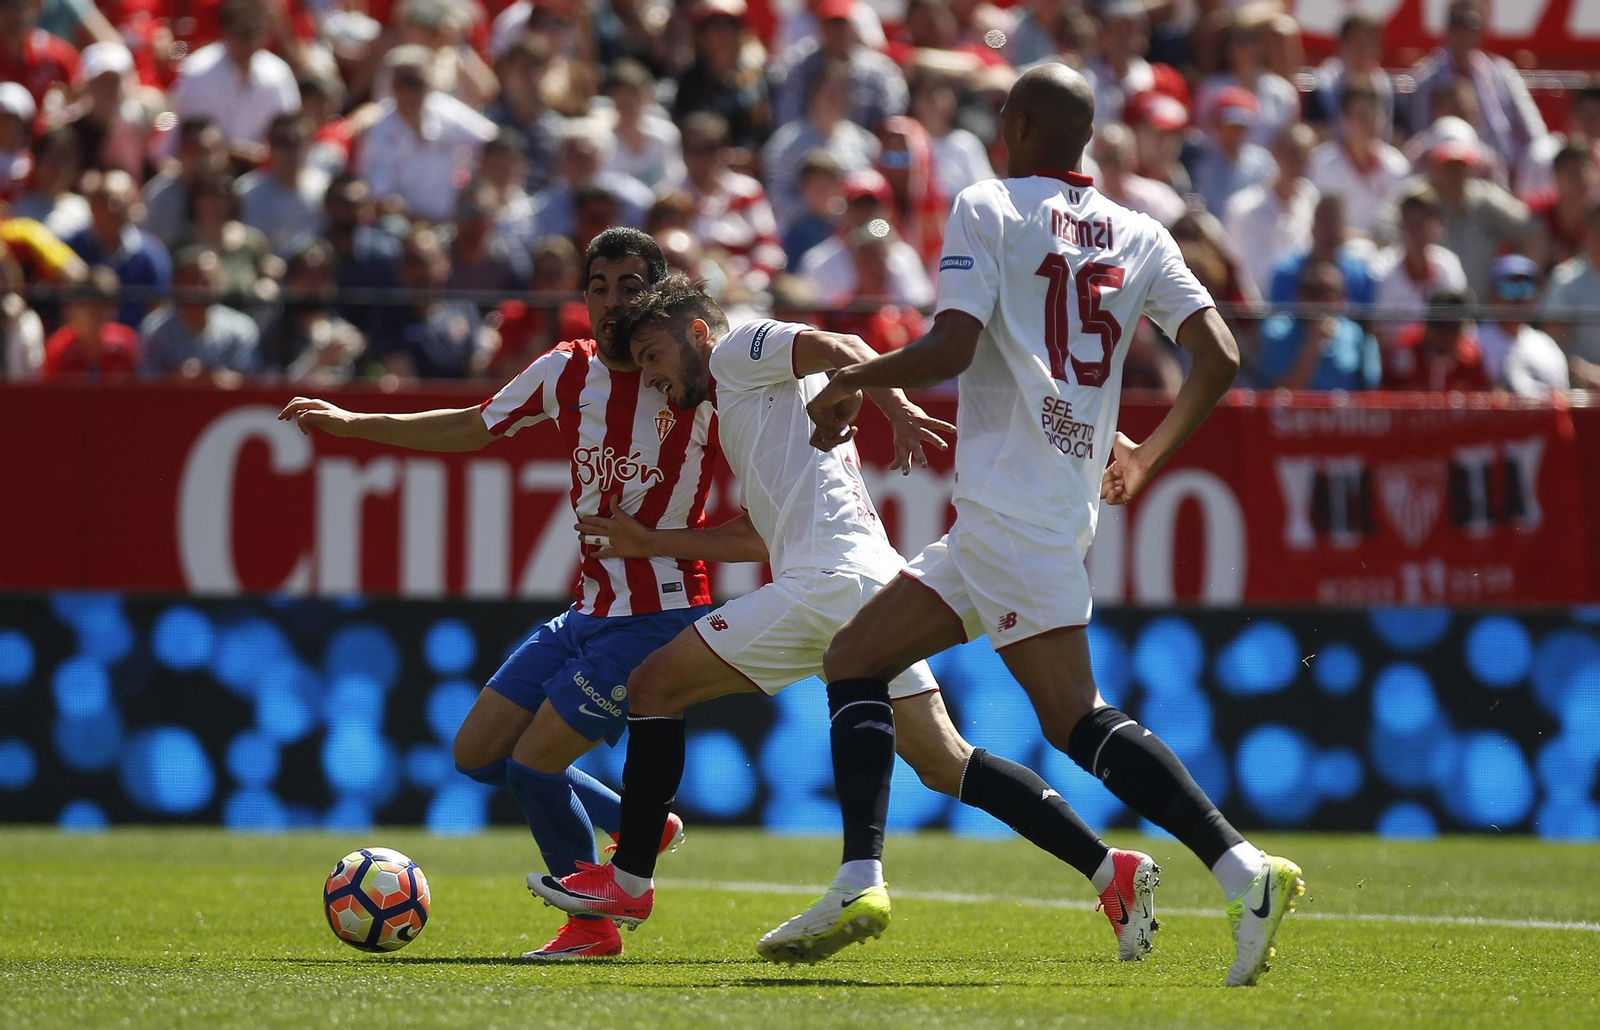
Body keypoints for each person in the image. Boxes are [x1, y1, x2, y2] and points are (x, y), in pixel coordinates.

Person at [796, 63, 1302, 987]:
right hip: (1036, 507)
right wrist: (1144, 455)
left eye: (1001, 114)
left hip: (1012, 512)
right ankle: (860, 875)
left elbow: (950, 345)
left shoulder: (987, 205)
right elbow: (1221, 353)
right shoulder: (1142, 229)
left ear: (1020, 122)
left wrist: (849, 381)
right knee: (854, 658)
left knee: (1075, 718)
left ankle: (1241, 867)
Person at [530, 275, 1167, 968]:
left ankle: (629, 884)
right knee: (944, 762)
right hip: (868, 581)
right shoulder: (753, 398)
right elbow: (758, 535)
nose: (651, 377)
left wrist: (894, 408)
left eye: (652, 356)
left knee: (654, 688)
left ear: (696, 334)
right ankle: (1113, 872)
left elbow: (847, 344)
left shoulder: (740, 346)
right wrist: (653, 545)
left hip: (826, 584)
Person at [279, 229, 706, 961]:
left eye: (630, 288)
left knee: (532, 767)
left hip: (655, 618)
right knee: (478, 752)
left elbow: (793, 388)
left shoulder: (697, 378)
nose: (612, 303)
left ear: (659, 298)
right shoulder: (566, 371)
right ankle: (634, 819)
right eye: (598, 287)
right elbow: (472, 427)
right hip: (588, 609)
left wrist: (876, 398)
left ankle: (593, 927)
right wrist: (355, 422)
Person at [356, 45, 497, 223]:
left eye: (419, 82)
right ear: (392, 85)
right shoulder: (379, 130)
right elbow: (381, 198)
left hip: (453, 221)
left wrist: (476, 189)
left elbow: (494, 141)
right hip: (404, 227)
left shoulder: (446, 109)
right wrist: (423, 226)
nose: (412, 91)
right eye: (405, 82)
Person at [1407, 0, 1546, 177]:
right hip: (1447, 169)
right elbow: (1421, 133)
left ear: (1482, 28)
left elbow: (1534, 130)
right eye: (1456, 23)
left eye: (1470, 24)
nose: (1463, 32)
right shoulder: (1426, 78)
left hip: (1499, 171)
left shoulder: (1502, 73)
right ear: (1446, 28)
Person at [168, 0, 299, 165]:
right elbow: (188, 139)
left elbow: (289, 131)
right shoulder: (198, 72)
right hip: (208, 170)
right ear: (225, 31)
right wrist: (232, 151)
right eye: (242, 33)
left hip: (263, 172)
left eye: (255, 32)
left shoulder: (278, 73)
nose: (249, 41)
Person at [762, 60, 880, 232]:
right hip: (802, 237)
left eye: (844, 93)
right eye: (831, 93)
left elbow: (875, 198)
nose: (838, 100)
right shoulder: (786, 144)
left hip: (855, 238)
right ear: (814, 95)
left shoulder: (865, 142)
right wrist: (820, 209)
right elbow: (776, 200)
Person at [772, 0, 907, 132]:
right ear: (820, 27)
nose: (838, 31)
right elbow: (787, 114)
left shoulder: (877, 70)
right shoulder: (800, 63)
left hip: (866, 148)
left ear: (853, 27)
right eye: (832, 24)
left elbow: (893, 113)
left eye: (843, 24)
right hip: (810, 145)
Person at [65, 168, 171, 328]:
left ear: (133, 205)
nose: (110, 209)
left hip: (136, 348)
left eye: (117, 201)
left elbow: (157, 313)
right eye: (102, 201)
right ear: (91, 205)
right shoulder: (71, 249)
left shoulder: (152, 254)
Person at [1307, 80, 1410, 240]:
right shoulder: (1321, 164)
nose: (1369, 122)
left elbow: (1402, 222)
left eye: (1375, 114)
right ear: (1344, 119)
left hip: (1385, 256)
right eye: (1361, 115)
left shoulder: (1397, 166)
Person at [1224, 122, 1317, 297]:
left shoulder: (1314, 201)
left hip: (1301, 310)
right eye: (1291, 152)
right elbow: (1234, 268)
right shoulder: (1242, 208)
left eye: (1304, 154)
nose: (1296, 161)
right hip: (1254, 312)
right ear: (1275, 153)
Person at [1368, 186, 1469, 345]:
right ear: (1400, 225)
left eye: (1422, 223)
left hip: (1442, 353)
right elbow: (1379, 333)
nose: (1416, 231)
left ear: (1437, 226)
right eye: (1410, 223)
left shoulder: (1449, 265)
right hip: (1397, 360)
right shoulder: (1380, 270)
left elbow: (1462, 323)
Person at [1258, 260, 1381, 391]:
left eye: (1326, 291)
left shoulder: (1358, 335)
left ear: (1342, 298)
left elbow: (1370, 394)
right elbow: (1277, 395)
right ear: (1297, 294)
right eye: (1309, 290)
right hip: (1297, 410)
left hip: (1343, 410)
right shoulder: (1276, 331)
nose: (1316, 299)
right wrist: (1313, 346)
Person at [139, 246, 261, 378]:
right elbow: (146, 379)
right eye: (191, 280)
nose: (198, 289)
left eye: (206, 282)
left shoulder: (240, 327)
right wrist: (176, 378)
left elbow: (251, 379)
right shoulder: (154, 328)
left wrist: (213, 378)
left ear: (219, 285)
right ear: (175, 283)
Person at [237, 113, 330, 261]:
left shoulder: (324, 188)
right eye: (281, 142)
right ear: (270, 145)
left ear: (308, 144)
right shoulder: (247, 191)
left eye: (295, 141)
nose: (289, 150)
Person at [1476, 254, 1569, 399]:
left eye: (1525, 288)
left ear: (1537, 297)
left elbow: (1561, 400)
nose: (1517, 298)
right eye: (1508, 288)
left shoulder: (1547, 347)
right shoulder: (1475, 343)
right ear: (1492, 295)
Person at [1538, 203, 1600, 391]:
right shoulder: (1566, 279)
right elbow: (1553, 346)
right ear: (1586, 233)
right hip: (1582, 390)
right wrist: (1585, 372)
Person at [1189, 86, 1276, 217]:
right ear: (1216, 125)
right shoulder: (1200, 162)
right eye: (1230, 126)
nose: (1236, 133)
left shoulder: (1263, 163)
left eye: (1241, 127)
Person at [42, 264, 138, 378]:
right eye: (87, 305)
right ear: (72, 308)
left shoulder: (127, 342)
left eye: (102, 305)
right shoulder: (58, 348)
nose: (95, 313)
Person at [1383, 290, 1490, 392]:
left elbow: (1482, 401)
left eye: (1452, 327)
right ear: (1427, 323)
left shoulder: (1471, 361)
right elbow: (1382, 394)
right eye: (1439, 325)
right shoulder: (1404, 350)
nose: (1445, 334)